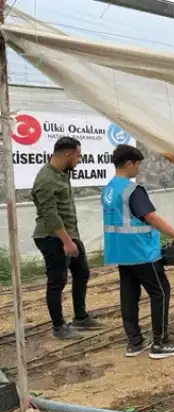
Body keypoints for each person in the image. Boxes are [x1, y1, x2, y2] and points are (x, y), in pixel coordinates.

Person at [102, 145, 174, 359]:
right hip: (141, 251)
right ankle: (160, 343)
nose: (139, 170)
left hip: (121, 252)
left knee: (129, 294)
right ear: (129, 163)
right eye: (138, 165)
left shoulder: (108, 190)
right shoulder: (132, 190)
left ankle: (134, 342)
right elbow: (150, 217)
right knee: (160, 291)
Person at [31, 136, 103, 340]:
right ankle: (59, 326)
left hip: (69, 233)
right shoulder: (46, 179)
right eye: (78, 156)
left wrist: (71, 239)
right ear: (69, 155)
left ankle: (80, 317)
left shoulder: (62, 173)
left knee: (82, 273)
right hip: (52, 236)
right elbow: (49, 214)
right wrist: (66, 242)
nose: (79, 160)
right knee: (57, 281)